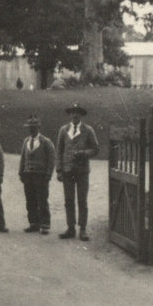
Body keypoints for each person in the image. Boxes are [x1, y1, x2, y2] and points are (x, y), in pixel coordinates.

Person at [55, 103, 99, 241]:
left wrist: (84, 153)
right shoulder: (63, 130)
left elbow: (95, 149)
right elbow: (59, 151)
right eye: (72, 112)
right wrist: (59, 170)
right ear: (70, 114)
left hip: (82, 171)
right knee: (68, 200)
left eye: (77, 112)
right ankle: (71, 228)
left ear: (81, 115)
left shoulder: (88, 130)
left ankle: (83, 229)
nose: (75, 115)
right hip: (68, 170)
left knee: (82, 200)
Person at [18, 115, 56, 234]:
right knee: (30, 199)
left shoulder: (46, 142)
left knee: (42, 199)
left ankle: (45, 225)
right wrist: (21, 173)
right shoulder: (26, 141)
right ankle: (33, 223)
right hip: (28, 174)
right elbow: (23, 158)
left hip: (41, 175)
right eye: (30, 127)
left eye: (34, 127)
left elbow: (51, 159)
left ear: (39, 128)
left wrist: (48, 174)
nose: (32, 129)